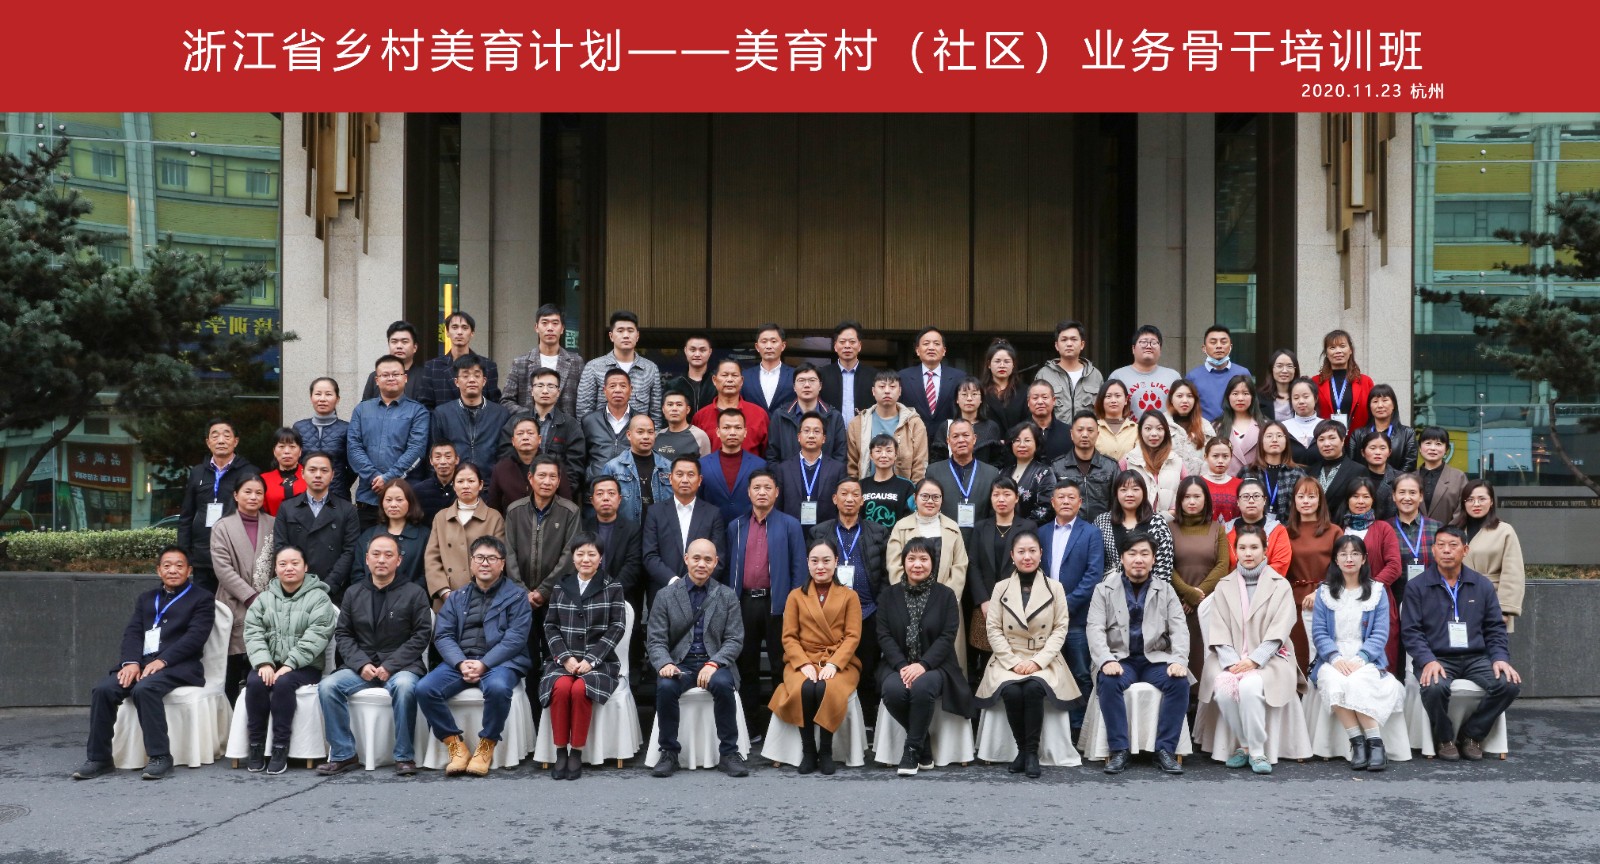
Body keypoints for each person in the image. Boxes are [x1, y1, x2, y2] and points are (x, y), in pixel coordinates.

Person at [74, 546, 215, 781]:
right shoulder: (147, 598)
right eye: (167, 566)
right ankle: (100, 758)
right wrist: (130, 663)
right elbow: (133, 633)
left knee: (144, 689)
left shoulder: (202, 598)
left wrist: (163, 660)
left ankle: (160, 756)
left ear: (189, 570)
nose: (173, 570)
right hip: (141, 664)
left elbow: (195, 637)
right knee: (103, 690)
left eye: (179, 566)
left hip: (178, 665)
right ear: (158, 570)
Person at [315, 533, 433, 776]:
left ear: (398, 560)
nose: (381, 560)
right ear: (366, 559)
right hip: (362, 667)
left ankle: (404, 756)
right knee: (328, 686)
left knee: (405, 687)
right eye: (376, 554)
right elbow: (343, 634)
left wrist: (391, 665)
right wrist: (361, 664)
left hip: (402, 666)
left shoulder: (415, 593)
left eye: (388, 555)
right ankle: (344, 754)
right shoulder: (353, 593)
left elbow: (421, 635)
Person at [415, 536, 533, 776]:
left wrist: (484, 664)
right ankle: (455, 745)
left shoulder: (517, 596)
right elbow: (443, 635)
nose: (485, 563)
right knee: (425, 689)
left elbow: (515, 639)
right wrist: (460, 663)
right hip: (461, 661)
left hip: (500, 663)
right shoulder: (457, 597)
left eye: (491, 558)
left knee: (498, 688)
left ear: (502, 563)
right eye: (479, 557)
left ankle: (486, 746)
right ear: (471, 562)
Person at [1401, 526, 1521, 761]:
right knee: (1434, 687)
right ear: (1433, 550)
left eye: (1453, 545)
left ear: (1465, 550)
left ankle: (1472, 735)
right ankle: (1444, 738)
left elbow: (1495, 628)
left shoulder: (1482, 585)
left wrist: (1500, 658)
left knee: (1509, 684)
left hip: (1476, 657)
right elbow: (1411, 632)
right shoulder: (1417, 586)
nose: (1446, 550)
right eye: (1441, 545)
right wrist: (1427, 660)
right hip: (1437, 657)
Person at [1197, 524, 1306, 774]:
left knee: (1249, 686)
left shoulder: (1280, 585)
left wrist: (1255, 660)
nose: (1248, 553)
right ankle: (1245, 745)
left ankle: (1257, 752)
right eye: (1243, 547)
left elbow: (1280, 630)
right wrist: (1232, 662)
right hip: (1230, 657)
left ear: (1265, 550)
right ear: (1235, 551)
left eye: (1254, 547)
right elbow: (1219, 629)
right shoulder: (1224, 585)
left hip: (1271, 658)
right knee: (1224, 687)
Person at [975, 530, 1079, 778]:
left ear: (1041, 554)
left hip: (1044, 657)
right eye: (1021, 552)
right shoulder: (1000, 588)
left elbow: (1060, 628)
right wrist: (1012, 662)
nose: (1027, 556)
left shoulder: (1055, 588)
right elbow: (993, 628)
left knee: (1033, 688)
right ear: (1012, 556)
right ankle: (1023, 750)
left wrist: (1037, 662)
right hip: (1007, 657)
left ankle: (1030, 753)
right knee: (1011, 690)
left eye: (1032, 551)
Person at [1087, 531, 1191, 775]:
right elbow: (1094, 628)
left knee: (1179, 683)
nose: (1138, 559)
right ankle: (1119, 750)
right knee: (1108, 681)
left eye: (1145, 554)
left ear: (1153, 559)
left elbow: (1180, 629)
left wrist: (1179, 660)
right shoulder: (1103, 589)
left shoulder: (1166, 590)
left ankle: (1165, 750)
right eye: (1132, 553)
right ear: (1122, 558)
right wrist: (1105, 660)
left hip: (1154, 659)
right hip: (1120, 659)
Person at [647, 537, 749, 778]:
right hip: (679, 663)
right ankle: (669, 752)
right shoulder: (665, 595)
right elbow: (656, 640)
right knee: (666, 687)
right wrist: (665, 663)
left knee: (723, 685)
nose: (701, 564)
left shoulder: (727, 595)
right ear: (686, 559)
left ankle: (728, 753)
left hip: (714, 663)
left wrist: (714, 663)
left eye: (707, 559)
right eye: (696, 558)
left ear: (715, 563)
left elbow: (734, 639)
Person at [876, 536, 972, 776]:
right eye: (911, 559)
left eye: (923, 559)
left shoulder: (946, 595)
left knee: (922, 687)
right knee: (893, 690)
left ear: (933, 563)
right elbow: (884, 635)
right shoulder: (888, 596)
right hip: (897, 664)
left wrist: (923, 665)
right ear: (903, 562)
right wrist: (902, 665)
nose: (917, 564)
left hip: (937, 665)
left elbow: (947, 636)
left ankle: (911, 750)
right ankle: (923, 744)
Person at [769, 536, 863, 775]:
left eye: (826, 561)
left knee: (825, 688)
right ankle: (809, 750)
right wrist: (802, 664)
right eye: (815, 561)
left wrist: (834, 664)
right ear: (807, 563)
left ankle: (826, 751)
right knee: (805, 688)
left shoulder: (849, 596)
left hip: (840, 661)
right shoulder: (795, 596)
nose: (820, 566)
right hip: (803, 659)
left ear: (836, 562)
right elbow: (789, 637)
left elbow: (852, 636)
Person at [1310, 535, 1404, 771]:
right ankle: (1358, 743)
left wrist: (1361, 658)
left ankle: (1376, 744)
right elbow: (1319, 632)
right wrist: (1335, 658)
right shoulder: (1324, 592)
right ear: (1336, 559)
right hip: (1333, 657)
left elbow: (1380, 633)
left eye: (1354, 554)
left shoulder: (1377, 591)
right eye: (1343, 554)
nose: (1349, 559)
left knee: (1357, 682)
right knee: (1333, 681)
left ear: (1364, 559)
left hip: (1367, 658)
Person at [537, 534, 627, 780]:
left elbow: (617, 627)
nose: (586, 559)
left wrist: (592, 660)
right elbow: (550, 626)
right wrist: (565, 658)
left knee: (579, 690)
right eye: (580, 554)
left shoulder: (612, 587)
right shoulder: (561, 586)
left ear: (600, 558)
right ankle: (560, 751)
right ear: (573, 557)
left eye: (592, 554)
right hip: (563, 661)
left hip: (600, 662)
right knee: (561, 687)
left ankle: (576, 751)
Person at [241, 545, 337, 775]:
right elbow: (252, 632)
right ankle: (256, 745)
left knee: (284, 683)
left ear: (306, 567)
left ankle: (280, 746)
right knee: (254, 682)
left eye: (295, 563)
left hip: (305, 666)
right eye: (283, 564)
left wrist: (290, 664)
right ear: (275, 569)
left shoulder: (319, 598)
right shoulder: (264, 599)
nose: (289, 568)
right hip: (270, 663)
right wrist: (264, 662)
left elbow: (317, 636)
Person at [726, 469, 808, 733]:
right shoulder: (736, 526)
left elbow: (799, 569)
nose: (762, 492)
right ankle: (751, 725)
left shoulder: (790, 525)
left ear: (776, 492)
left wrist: (794, 605)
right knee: (746, 665)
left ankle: (779, 725)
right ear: (748, 492)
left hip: (778, 604)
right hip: (744, 604)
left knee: (779, 664)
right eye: (757, 488)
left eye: (767, 488)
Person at [812, 477, 889, 724]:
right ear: (835, 499)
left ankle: (867, 723)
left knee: (867, 669)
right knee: (832, 666)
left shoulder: (878, 532)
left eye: (855, 494)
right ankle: (834, 720)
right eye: (844, 493)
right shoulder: (820, 532)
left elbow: (886, 573)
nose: (849, 499)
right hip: (831, 613)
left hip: (868, 611)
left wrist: (880, 605)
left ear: (862, 500)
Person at [1038, 480, 1104, 733]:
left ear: (1080, 502)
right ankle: (1054, 729)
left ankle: (1079, 729)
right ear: (1052, 501)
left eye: (1071, 497)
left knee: (1080, 672)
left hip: (1077, 617)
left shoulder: (1091, 533)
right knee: (1049, 670)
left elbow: (1093, 575)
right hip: (1045, 617)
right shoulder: (1041, 532)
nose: (1066, 501)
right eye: (1061, 497)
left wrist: (1065, 604)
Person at [505, 455, 583, 669]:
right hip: (520, 598)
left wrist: (543, 591)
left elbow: (569, 556)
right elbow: (509, 553)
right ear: (531, 478)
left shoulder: (570, 511)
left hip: (557, 596)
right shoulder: (514, 510)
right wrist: (523, 592)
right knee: (526, 656)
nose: (547, 481)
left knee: (555, 654)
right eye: (542, 475)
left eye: (552, 477)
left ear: (559, 481)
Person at [886, 478, 972, 665]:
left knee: (946, 655)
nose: (930, 501)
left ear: (942, 500)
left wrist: (946, 599)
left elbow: (960, 566)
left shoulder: (952, 528)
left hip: (944, 602)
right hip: (909, 602)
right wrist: (907, 596)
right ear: (915, 498)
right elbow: (894, 565)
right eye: (925, 496)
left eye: (936, 497)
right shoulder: (901, 527)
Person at [210, 474, 273, 704]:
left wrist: (266, 598)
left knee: (263, 668)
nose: (253, 497)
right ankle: (230, 717)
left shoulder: (274, 524)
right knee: (233, 668)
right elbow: (222, 568)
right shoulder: (222, 527)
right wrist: (250, 596)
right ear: (236, 495)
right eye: (248, 491)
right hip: (233, 603)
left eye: (259, 492)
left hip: (268, 604)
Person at [348, 355, 430, 530]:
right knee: (366, 545)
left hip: (404, 499)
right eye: (385, 375)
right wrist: (374, 477)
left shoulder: (418, 411)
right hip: (368, 498)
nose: (391, 378)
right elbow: (353, 448)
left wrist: (388, 478)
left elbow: (416, 450)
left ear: (405, 378)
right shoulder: (361, 410)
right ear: (376, 380)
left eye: (396, 374)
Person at [177, 418, 258, 593]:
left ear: (235, 441)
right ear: (208, 442)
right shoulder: (197, 472)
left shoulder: (249, 472)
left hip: (235, 555)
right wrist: (184, 553)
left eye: (226, 436)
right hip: (203, 555)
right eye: (215, 436)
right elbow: (186, 516)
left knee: (234, 604)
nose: (221, 440)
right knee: (204, 605)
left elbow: (255, 515)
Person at [968, 478, 1040, 677]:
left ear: (1016, 498)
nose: (1001, 499)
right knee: (986, 657)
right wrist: (983, 600)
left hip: (1018, 604)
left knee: (1015, 655)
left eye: (1007, 494)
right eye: (996, 494)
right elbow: (973, 564)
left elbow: (1031, 564)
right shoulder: (981, 527)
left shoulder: (1028, 526)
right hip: (985, 603)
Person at [270, 452, 361, 604]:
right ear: (302, 473)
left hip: (333, 591)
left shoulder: (347, 510)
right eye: (312, 470)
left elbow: (350, 551)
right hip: (295, 590)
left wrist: (328, 586)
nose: (318, 475)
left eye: (324, 470)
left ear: (332, 475)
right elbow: (281, 547)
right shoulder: (287, 508)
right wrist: (296, 582)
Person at [641, 455, 728, 606]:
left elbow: (718, 557)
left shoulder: (713, 513)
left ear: (699, 480)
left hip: (702, 593)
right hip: (663, 590)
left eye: (691, 475)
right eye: (679, 474)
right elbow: (650, 555)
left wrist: (695, 583)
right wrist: (674, 581)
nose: (685, 480)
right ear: (670, 478)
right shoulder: (655, 512)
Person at [1340, 478, 1404, 675]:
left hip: (1378, 602)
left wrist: (1370, 589)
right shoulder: (1338, 530)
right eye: (1355, 496)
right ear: (1347, 499)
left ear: (1373, 500)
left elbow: (1394, 566)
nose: (1361, 501)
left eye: (1366, 497)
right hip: (1343, 602)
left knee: (1381, 663)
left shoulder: (1383, 529)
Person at [423, 463, 508, 610]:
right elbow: (432, 559)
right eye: (460, 481)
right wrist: (445, 592)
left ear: (480, 485)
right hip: (447, 600)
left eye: (471, 481)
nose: (466, 486)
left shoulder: (494, 517)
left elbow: (498, 559)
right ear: (454, 485)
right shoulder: (441, 517)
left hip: (484, 599)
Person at [1168, 477, 1227, 685]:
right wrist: (1187, 592)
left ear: (1206, 499)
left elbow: (1222, 565)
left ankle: (1205, 699)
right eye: (1186, 497)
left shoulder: (1217, 528)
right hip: (1177, 603)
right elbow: (1166, 565)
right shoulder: (1169, 528)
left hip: (1209, 604)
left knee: (1205, 654)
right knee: (1181, 651)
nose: (1191, 501)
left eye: (1196, 496)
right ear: (1179, 500)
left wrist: (1198, 594)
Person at [501, 366, 587, 499]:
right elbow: (505, 459)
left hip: (558, 498)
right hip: (519, 496)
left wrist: (559, 495)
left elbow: (575, 468)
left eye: (551, 386)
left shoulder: (570, 425)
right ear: (531, 390)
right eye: (540, 385)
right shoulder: (516, 422)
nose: (545, 390)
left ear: (558, 392)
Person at [1458, 480, 1527, 633]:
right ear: (1464, 503)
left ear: (1491, 502)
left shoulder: (1504, 531)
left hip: (1492, 602)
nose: (1476, 504)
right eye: (1470, 499)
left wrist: (1504, 610)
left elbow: (1513, 574)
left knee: (1492, 647)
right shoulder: (1455, 530)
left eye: (1482, 499)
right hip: (1458, 601)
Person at [1286, 477, 1338, 674]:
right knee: (1297, 655)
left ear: (1320, 500)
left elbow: (1341, 568)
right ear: (1294, 500)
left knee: (1323, 656)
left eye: (1311, 496)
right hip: (1293, 602)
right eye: (1301, 496)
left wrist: (1321, 591)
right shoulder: (1285, 532)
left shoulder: (1334, 531)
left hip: (1326, 600)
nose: (1306, 501)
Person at [576, 310, 662, 426]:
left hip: (638, 435)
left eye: (630, 331)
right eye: (620, 331)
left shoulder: (650, 369)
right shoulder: (593, 367)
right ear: (611, 336)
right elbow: (583, 410)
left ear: (637, 336)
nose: (626, 335)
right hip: (601, 435)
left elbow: (656, 414)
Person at [430, 354, 511, 478]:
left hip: (490, 483)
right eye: (465, 375)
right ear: (456, 382)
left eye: (477, 375)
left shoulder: (501, 414)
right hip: (454, 482)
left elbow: (505, 454)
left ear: (484, 381)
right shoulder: (442, 414)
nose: (472, 380)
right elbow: (435, 452)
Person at [583, 477, 644, 636]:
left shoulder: (632, 529)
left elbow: (632, 566)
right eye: (600, 494)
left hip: (624, 599)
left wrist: (610, 593)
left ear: (619, 499)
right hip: (588, 599)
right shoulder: (583, 528)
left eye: (611, 493)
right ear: (592, 500)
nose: (606, 498)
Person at [502, 303, 584, 418]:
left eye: (555, 323)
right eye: (544, 323)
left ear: (562, 328)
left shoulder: (576, 362)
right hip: (530, 426)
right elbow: (506, 401)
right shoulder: (520, 362)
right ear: (536, 327)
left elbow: (583, 401)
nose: (550, 328)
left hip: (565, 427)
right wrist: (530, 416)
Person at [926, 418, 1001, 541]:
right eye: (955, 436)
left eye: (966, 435)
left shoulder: (991, 473)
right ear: (948, 441)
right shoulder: (934, 471)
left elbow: (994, 513)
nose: (961, 440)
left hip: (979, 539)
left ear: (974, 438)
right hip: (943, 540)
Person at [1093, 470, 1176, 581]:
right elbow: (1094, 563)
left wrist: (1153, 590)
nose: (1129, 494)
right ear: (1116, 493)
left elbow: (1164, 568)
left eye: (1135, 489)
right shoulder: (1102, 521)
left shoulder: (1157, 523)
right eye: (1123, 490)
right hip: (1109, 587)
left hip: (1149, 587)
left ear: (1144, 492)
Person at [847, 370, 928, 482]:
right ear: (873, 391)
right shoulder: (858, 423)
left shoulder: (914, 423)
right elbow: (852, 465)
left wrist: (914, 489)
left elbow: (920, 464)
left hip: (904, 490)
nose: (887, 391)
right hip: (865, 489)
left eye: (892, 386)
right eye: (882, 386)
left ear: (900, 391)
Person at [417, 310, 502, 410]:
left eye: (465, 328)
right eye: (455, 327)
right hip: (443, 419)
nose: (459, 332)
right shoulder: (432, 367)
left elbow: (494, 404)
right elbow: (425, 406)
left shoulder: (488, 366)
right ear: (447, 332)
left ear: (472, 333)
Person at [775, 411, 847, 528]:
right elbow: (778, 507)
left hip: (826, 531)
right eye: (806, 431)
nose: (811, 436)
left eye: (817, 431)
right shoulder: (784, 469)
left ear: (824, 438)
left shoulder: (837, 468)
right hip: (792, 530)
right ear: (799, 437)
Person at [599, 414, 673, 525]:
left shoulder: (668, 467)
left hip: (661, 529)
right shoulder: (612, 467)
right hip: (626, 530)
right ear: (629, 435)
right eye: (640, 432)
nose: (646, 437)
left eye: (650, 432)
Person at [355, 479, 429, 589]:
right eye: (388, 500)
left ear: (410, 502)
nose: (393, 505)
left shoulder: (424, 536)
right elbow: (357, 573)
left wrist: (409, 594)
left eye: (399, 500)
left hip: (411, 597)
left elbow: (427, 574)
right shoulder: (368, 535)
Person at [1390, 472, 1441, 632]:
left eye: (1412, 492)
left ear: (1421, 496)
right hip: (1395, 598)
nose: (1407, 498)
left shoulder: (1437, 528)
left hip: (1432, 598)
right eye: (1402, 492)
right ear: (1394, 496)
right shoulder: (1384, 528)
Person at [700, 409, 768, 524]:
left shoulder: (759, 465)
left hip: (748, 527)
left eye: (738, 428)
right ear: (718, 432)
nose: (732, 432)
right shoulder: (702, 465)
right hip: (711, 527)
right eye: (726, 428)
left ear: (745, 432)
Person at [1051, 410, 1120, 522]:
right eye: (1080, 430)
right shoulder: (1057, 467)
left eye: (1090, 430)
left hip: (1103, 527)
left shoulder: (1111, 466)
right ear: (1071, 434)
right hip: (1069, 528)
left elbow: (1118, 502)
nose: (1085, 434)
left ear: (1097, 435)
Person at [692, 359, 769, 458]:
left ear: (741, 381)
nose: (729, 379)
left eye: (734, 375)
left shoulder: (759, 414)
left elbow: (767, 453)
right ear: (714, 380)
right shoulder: (701, 416)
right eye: (724, 375)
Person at [294, 377, 355, 500]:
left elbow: (354, 466)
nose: (322, 399)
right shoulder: (299, 427)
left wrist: (340, 483)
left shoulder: (347, 428)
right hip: (304, 494)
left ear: (337, 399)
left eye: (328, 394)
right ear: (311, 397)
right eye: (318, 394)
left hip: (338, 495)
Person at [580, 368, 645, 482]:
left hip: (631, 486)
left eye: (623, 386)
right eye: (612, 386)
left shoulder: (641, 421)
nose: (618, 390)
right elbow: (581, 458)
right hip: (596, 487)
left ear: (631, 390)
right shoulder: (589, 421)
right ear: (604, 390)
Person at [1035, 320, 1104, 423]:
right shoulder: (1044, 375)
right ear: (1057, 345)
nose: (1069, 344)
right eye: (1064, 340)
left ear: (1082, 344)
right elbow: (1035, 410)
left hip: (1086, 432)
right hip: (1054, 432)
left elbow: (1102, 412)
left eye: (1073, 339)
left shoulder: (1095, 375)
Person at [1121, 409, 1185, 518]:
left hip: (1168, 522)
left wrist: (1170, 514)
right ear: (1140, 431)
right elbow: (1118, 494)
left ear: (1166, 432)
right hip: (1136, 522)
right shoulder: (1128, 460)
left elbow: (1186, 492)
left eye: (1159, 428)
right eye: (1148, 428)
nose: (1154, 434)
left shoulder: (1176, 461)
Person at [1240, 420, 1306, 524]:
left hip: (1288, 530)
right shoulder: (1248, 471)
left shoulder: (1297, 473)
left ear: (1286, 441)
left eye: (1279, 436)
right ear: (1261, 441)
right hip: (1253, 529)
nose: (1274, 440)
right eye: (1269, 436)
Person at [899, 326, 965, 430]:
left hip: (949, 437)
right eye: (926, 344)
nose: (931, 347)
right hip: (914, 436)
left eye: (936, 344)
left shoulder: (959, 377)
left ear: (944, 351)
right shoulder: (903, 377)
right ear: (917, 350)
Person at [1111, 324, 1184, 414]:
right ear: (1133, 348)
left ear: (1160, 349)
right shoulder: (1118, 376)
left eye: (1154, 342)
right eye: (1143, 342)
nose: (1149, 346)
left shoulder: (1173, 377)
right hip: (1128, 424)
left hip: (1165, 424)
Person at [1186, 325, 1253, 423]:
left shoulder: (1243, 373)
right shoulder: (1193, 377)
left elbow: (1252, 406)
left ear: (1230, 347)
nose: (1219, 346)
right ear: (1204, 348)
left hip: (1236, 429)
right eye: (1213, 342)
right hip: (1204, 430)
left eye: (1223, 342)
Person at [1227, 478, 1294, 574]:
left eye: (1256, 496)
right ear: (1238, 501)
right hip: (1231, 582)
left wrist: (1252, 579)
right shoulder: (1226, 530)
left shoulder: (1278, 531)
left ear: (1264, 500)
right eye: (1245, 496)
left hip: (1268, 582)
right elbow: (1221, 565)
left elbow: (1280, 565)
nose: (1251, 501)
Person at [934, 377, 1006, 466]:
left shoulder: (991, 427)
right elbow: (936, 460)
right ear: (957, 399)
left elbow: (997, 461)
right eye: (964, 394)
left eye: (974, 394)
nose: (969, 398)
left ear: (981, 399)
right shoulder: (946, 427)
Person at [818, 320, 878, 423]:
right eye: (842, 342)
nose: (847, 346)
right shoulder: (822, 375)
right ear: (835, 346)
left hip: (864, 430)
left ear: (859, 346)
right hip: (830, 431)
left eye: (852, 342)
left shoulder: (874, 376)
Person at [1315, 329, 1374, 430]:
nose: (1338, 351)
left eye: (1342, 346)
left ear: (1350, 350)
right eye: (1332, 347)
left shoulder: (1366, 382)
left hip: (1359, 438)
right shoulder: (1315, 382)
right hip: (1326, 438)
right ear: (1326, 353)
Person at [1310, 420, 1365, 522]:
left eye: (1332, 438)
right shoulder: (1310, 471)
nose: (1326, 444)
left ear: (1343, 440)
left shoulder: (1358, 471)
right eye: (1321, 439)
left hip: (1343, 526)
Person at [1355, 384, 1417, 474]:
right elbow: (1353, 465)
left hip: (1398, 482)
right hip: (1364, 482)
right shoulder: (1358, 434)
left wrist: (1394, 481)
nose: (1380, 405)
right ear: (1369, 407)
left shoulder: (1408, 433)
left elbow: (1409, 465)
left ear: (1393, 405)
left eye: (1385, 400)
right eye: (1375, 401)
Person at [859, 434, 917, 529]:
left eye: (889, 451)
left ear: (895, 455)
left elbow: (912, 518)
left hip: (896, 537)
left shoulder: (906, 486)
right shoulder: (861, 485)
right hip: (865, 537)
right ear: (871, 456)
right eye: (878, 451)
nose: (883, 455)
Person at [486, 417, 542, 512]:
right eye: (520, 434)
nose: (525, 437)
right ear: (513, 441)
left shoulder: (552, 467)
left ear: (539, 439)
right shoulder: (501, 469)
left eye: (530, 433)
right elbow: (493, 508)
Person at [1007, 422, 1058, 525]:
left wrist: (1021, 528)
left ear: (1037, 444)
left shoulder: (1044, 472)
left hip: (1031, 530)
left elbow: (1046, 508)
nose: (1022, 445)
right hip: (1004, 530)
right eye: (1017, 440)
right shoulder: (1003, 472)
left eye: (1027, 440)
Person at [359, 321, 424, 402]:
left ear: (415, 347)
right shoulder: (375, 376)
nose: (399, 346)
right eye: (394, 342)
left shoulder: (425, 376)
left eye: (404, 342)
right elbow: (365, 406)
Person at [1417, 426, 1467, 525]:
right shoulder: (1410, 478)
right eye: (1428, 443)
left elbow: (1463, 510)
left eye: (1438, 444)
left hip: (1449, 533)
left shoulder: (1458, 477)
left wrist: (1447, 532)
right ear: (1420, 448)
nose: (1432, 448)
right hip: (1413, 534)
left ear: (1446, 449)